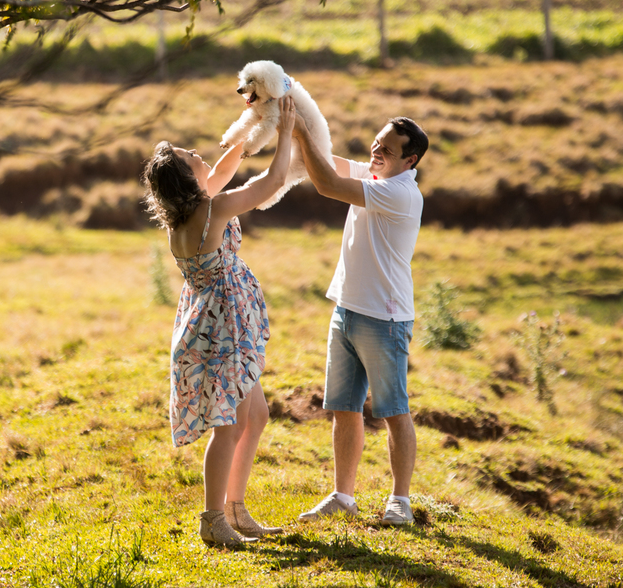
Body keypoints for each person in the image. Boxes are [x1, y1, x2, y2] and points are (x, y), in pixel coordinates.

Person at [141, 97, 296, 547]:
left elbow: (220, 175)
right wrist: (284, 133)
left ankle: (233, 507)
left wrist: (247, 138)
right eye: (194, 159)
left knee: (256, 415)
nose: (202, 156)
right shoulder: (214, 211)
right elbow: (273, 182)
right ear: (190, 181)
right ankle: (213, 519)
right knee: (230, 424)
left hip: (213, 324)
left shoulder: (185, 217)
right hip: (225, 328)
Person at [292, 116, 429, 527]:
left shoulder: (399, 192)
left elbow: (329, 185)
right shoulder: (375, 173)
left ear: (410, 160)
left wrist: (298, 131)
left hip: (384, 318)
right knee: (344, 408)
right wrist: (285, 134)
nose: (376, 153)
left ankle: (399, 502)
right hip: (347, 309)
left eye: (387, 150)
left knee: (393, 411)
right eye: (376, 144)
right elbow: (327, 165)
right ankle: (343, 496)